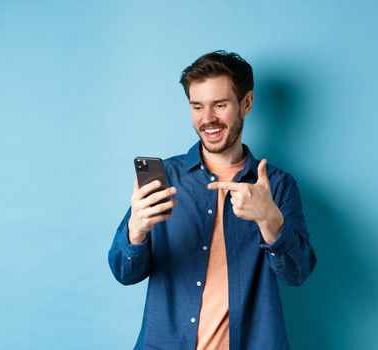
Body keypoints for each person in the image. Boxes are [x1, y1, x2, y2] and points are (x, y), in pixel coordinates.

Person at [108, 50, 317, 350]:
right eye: (197, 106)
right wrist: (136, 232)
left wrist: (269, 220)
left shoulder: (278, 186)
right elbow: (124, 274)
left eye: (220, 105)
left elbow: (297, 274)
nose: (207, 119)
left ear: (246, 103)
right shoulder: (165, 177)